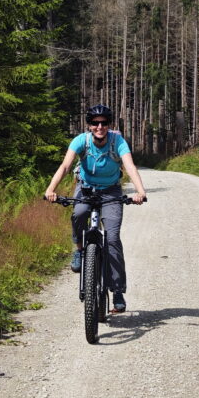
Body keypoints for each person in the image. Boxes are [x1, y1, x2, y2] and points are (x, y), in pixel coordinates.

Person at [44, 104, 147, 313]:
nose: (99, 127)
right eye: (95, 123)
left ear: (109, 125)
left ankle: (117, 290)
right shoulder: (81, 141)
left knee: (112, 239)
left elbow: (129, 166)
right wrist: (51, 189)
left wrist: (140, 191)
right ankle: (79, 250)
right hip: (86, 188)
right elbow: (65, 166)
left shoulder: (117, 141)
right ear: (89, 125)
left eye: (104, 123)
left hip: (111, 191)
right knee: (79, 213)